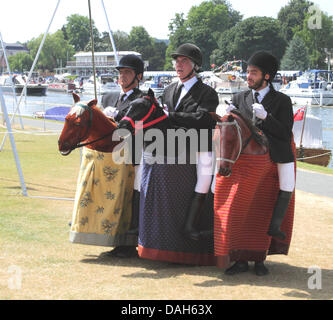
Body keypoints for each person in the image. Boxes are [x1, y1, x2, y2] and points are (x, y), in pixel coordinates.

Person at [138, 43, 219, 265]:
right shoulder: (168, 90)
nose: (178, 65)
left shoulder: (208, 93)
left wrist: (171, 116)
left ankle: (192, 223)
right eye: (177, 61)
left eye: (183, 61)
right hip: (170, 143)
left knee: (204, 180)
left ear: (195, 66)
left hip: (200, 144)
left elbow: (202, 119)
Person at [224, 50, 296, 276]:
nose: (248, 76)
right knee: (242, 209)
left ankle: (262, 255)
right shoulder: (239, 98)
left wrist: (267, 118)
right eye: (248, 72)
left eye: (253, 73)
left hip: (276, 155)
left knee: (278, 193)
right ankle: (239, 259)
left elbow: (285, 133)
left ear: (267, 76)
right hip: (245, 164)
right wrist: (224, 116)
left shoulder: (282, 101)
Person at [101, 54, 145, 258]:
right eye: (121, 73)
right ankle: (110, 236)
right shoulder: (108, 97)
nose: (123, 77)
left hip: (132, 156)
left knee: (130, 198)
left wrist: (117, 117)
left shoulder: (144, 99)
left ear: (138, 76)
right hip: (109, 156)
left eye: (127, 72)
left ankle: (129, 243)